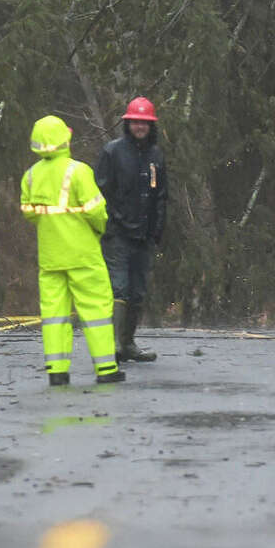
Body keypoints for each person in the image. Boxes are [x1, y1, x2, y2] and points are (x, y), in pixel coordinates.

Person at [20, 114, 124, 387]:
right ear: (65, 138)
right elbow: (97, 212)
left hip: (50, 258)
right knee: (96, 311)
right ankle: (106, 369)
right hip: (83, 255)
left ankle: (57, 370)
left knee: (54, 315)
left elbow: (29, 214)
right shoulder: (78, 171)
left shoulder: (30, 176)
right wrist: (99, 230)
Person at [95, 96, 168, 364]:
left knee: (138, 291)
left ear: (151, 126)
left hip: (145, 236)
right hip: (118, 235)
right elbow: (100, 191)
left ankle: (128, 344)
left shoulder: (156, 155)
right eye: (136, 122)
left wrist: (157, 229)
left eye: (144, 123)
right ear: (128, 123)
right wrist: (113, 223)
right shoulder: (112, 152)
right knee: (119, 290)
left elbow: (161, 195)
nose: (140, 126)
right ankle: (113, 345)